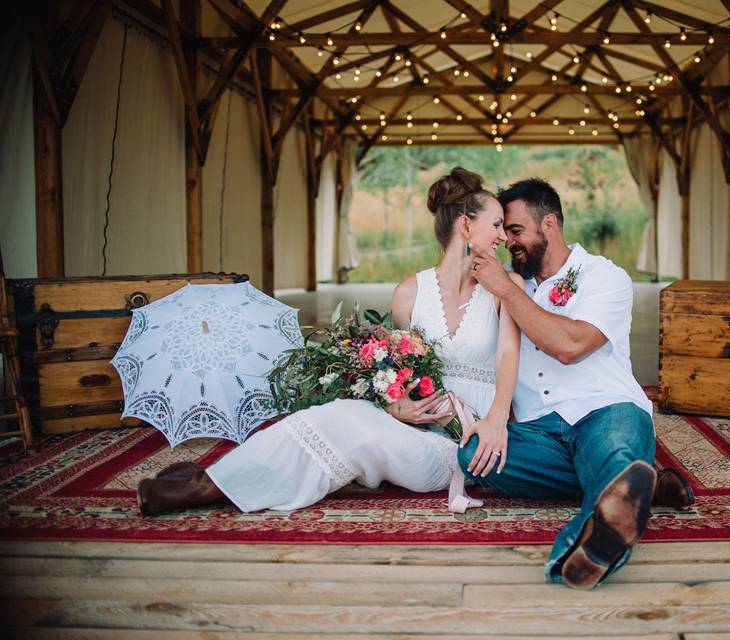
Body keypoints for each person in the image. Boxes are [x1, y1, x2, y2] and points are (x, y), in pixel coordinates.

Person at [136, 167, 524, 516]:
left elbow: (509, 356)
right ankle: (208, 483)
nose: (504, 238)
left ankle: (206, 487)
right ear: (466, 226)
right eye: (497, 226)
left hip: (462, 442)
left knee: (358, 433)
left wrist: (495, 422)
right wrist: (396, 407)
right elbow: (398, 372)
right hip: (412, 427)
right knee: (334, 413)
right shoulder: (409, 292)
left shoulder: (507, 288)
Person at [462, 177, 694, 590]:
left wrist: (503, 289)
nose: (508, 242)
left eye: (516, 231)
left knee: (612, 446)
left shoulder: (603, 276)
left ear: (548, 224)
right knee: (473, 454)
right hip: (542, 430)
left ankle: (583, 547)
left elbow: (570, 345)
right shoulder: (513, 281)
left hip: (606, 409)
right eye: (502, 232)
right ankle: (639, 481)